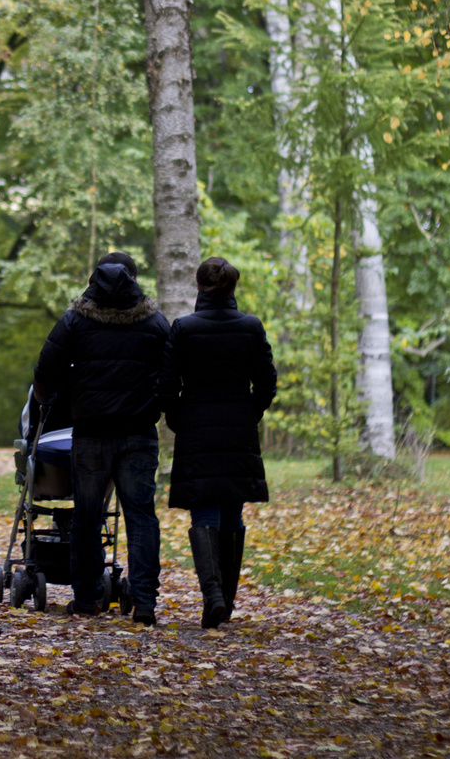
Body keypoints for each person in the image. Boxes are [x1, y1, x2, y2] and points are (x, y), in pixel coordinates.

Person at [33, 252, 168, 625]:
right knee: (141, 517)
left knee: (87, 518)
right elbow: (171, 373)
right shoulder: (155, 322)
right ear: (135, 280)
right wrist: (157, 404)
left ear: (93, 280)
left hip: (91, 434)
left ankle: (88, 600)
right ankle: (143, 602)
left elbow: (46, 368)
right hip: (138, 433)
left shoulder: (75, 320)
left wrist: (48, 401)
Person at [156, 256, 277, 629]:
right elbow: (267, 383)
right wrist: (248, 413)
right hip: (237, 430)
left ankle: (213, 596)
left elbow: (165, 385)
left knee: (204, 511)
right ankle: (224, 597)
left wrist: (181, 420)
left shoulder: (184, 329)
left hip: (198, 429)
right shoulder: (251, 327)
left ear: (198, 286)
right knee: (232, 511)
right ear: (233, 288)